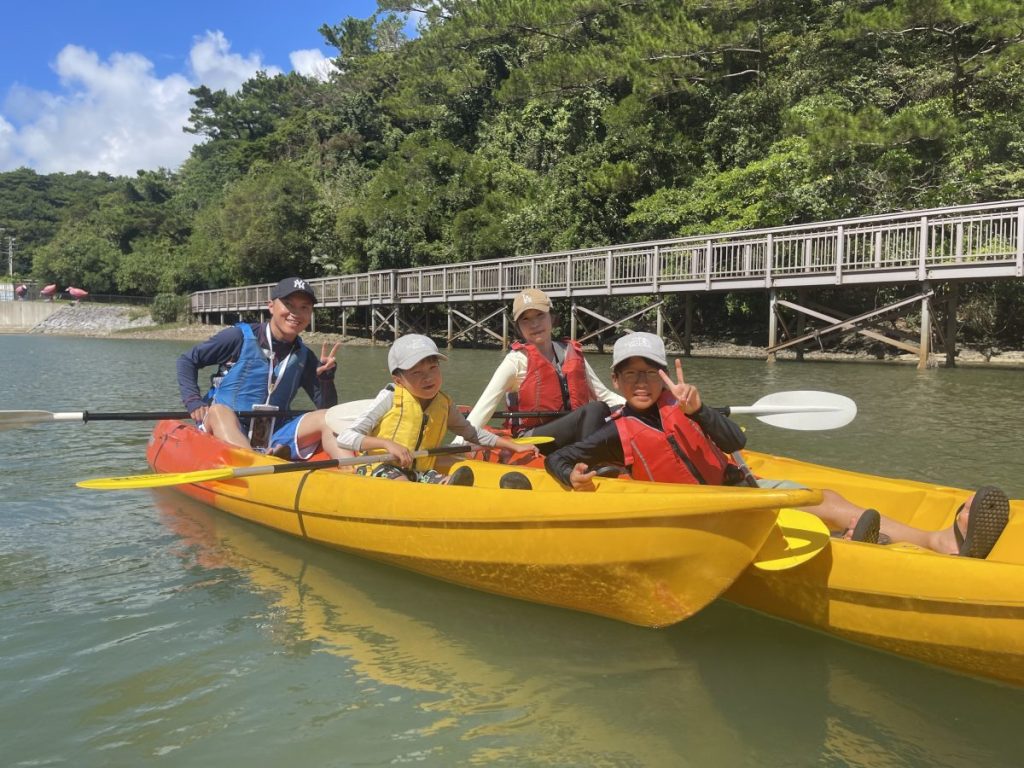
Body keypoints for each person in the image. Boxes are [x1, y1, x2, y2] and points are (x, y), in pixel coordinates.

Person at [544, 332, 1010, 559]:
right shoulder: (615, 431)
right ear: (617, 380)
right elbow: (559, 456)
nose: (641, 382)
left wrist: (701, 412)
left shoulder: (687, 408)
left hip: (739, 492)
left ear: (667, 375)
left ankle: (930, 541)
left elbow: (735, 441)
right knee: (818, 506)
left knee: (827, 499)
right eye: (631, 374)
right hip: (705, 521)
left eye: (651, 373)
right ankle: (887, 543)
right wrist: (572, 474)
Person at [176, 277, 348, 461]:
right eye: (289, 304)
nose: (296, 313)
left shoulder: (304, 356)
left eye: (304, 307)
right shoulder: (237, 337)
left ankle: (351, 469)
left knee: (326, 417)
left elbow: (327, 407)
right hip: (225, 425)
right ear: (271, 306)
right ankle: (256, 463)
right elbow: (187, 361)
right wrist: (193, 400)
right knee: (219, 411)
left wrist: (326, 380)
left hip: (273, 430)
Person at [335, 334, 539, 485]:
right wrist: (387, 444)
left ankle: (456, 492)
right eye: (417, 372)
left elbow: (471, 433)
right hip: (378, 467)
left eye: (433, 368)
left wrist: (513, 446)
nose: (428, 378)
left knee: (440, 479)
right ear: (399, 380)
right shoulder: (389, 398)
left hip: (421, 470)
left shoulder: (444, 403)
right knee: (400, 481)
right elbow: (345, 438)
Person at [461, 288, 624, 455]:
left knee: (608, 409)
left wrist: (640, 408)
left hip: (572, 432)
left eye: (540, 315)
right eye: (526, 319)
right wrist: (457, 446)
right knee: (595, 410)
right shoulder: (516, 361)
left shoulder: (570, 351)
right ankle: (586, 463)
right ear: (518, 327)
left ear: (551, 318)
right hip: (533, 438)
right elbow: (483, 409)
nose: (534, 324)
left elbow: (604, 395)